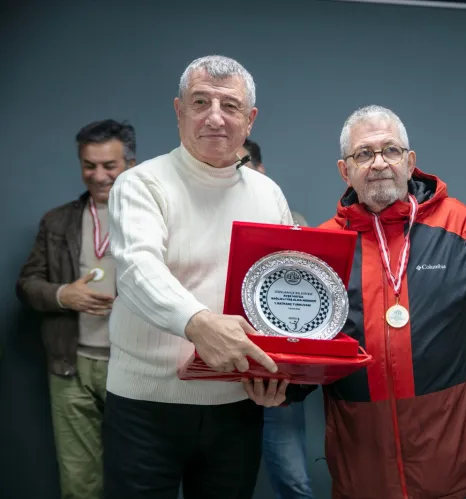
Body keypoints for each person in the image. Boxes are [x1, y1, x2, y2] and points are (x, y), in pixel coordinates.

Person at [102, 55, 303, 499]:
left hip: (236, 405)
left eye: (230, 106)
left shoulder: (269, 195)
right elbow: (137, 270)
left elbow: (280, 291)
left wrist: (279, 373)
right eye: (200, 102)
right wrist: (198, 323)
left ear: (249, 119)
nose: (215, 117)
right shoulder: (141, 184)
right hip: (145, 405)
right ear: (179, 111)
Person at [318, 105, 466, 499]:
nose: (379, 163)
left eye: (390, 150)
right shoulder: (325, 246)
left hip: (453, 464)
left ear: (410, 161)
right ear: (345, 170)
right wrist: (282, 388)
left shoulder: (460, 226)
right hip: (364, 467)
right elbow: (310, 344)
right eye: (363, 154)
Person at [16, 119, 136, 499]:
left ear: (130, 164)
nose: (98, 176)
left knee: (138, 478)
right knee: (79, 482)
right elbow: (27, 284)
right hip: (70, 367)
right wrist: (62, 295)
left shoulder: (152, 218)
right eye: (89, 165)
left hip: (133, 367)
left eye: (109, 165)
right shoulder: (57, 221)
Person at [238, 137, 315, 499]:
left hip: (275, 372)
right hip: (222, 369)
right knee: (222, 481)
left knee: (293, 479)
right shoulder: (203, 225)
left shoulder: (292, 222)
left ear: (260, 170)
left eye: (242, 165)